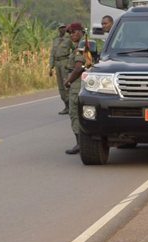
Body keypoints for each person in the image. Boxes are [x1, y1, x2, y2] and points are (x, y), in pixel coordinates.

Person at [63, 22, 88, 155]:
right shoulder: (85, 43)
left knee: (74, 113)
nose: (71, 35)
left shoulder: (81, 46)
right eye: (69, 33)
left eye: (73, 32)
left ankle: (80, 144)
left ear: (79, 32)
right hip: (81, 82)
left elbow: (78, 67)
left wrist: (68, 81)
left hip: (77, 83)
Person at [50, 23, 72, 115]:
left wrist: (71, 61)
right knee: (60, 86)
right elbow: (52, 54)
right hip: (57, 63)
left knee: (66, 84)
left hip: (65, 62)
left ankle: (71, 106)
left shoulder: (69, 39)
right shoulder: (56, 40)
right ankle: (66, 106)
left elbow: (75, 49)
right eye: (60, 28)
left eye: (63, 28)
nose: (62, 29)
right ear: (58, 29)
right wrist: (51, 67)